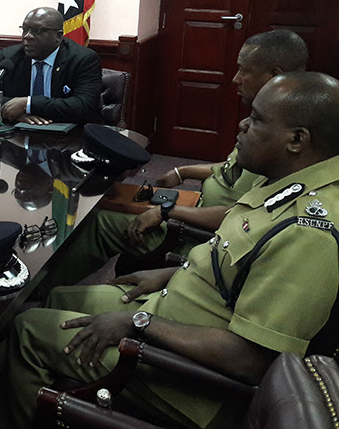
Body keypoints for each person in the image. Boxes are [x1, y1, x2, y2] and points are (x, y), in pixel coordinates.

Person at [0, 71, 339, 429]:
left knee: (29, 330)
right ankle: (13, 386)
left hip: (190, 380)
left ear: (297, 139)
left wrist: (138, 322)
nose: (243, 124)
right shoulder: (288, 183)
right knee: (60, 298)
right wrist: (169, 273)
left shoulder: (309, 232)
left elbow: (251, 359)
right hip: (175, 309)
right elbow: (235, 266)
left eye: (256, 118)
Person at [42, 29, 309, 287]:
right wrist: (183, 171)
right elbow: (232, 167)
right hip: (196, 210)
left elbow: (252, 216)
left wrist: (167, 211)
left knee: (98, 223)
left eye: (243, 70)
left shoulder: (284, 138)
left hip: (203, 236)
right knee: (110, 202)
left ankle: (40, 292)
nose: (235, 79)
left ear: (274, 75)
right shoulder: (277, 118)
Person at [0, 7, 102, 125]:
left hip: (70, 135)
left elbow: (84, 106)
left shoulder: (83, 59)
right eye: (25, 30)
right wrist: (14, 113)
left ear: (58, 36)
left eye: (37, 31)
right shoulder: (10, 57)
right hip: (20, 135)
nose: (28, 36)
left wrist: (28, 104)